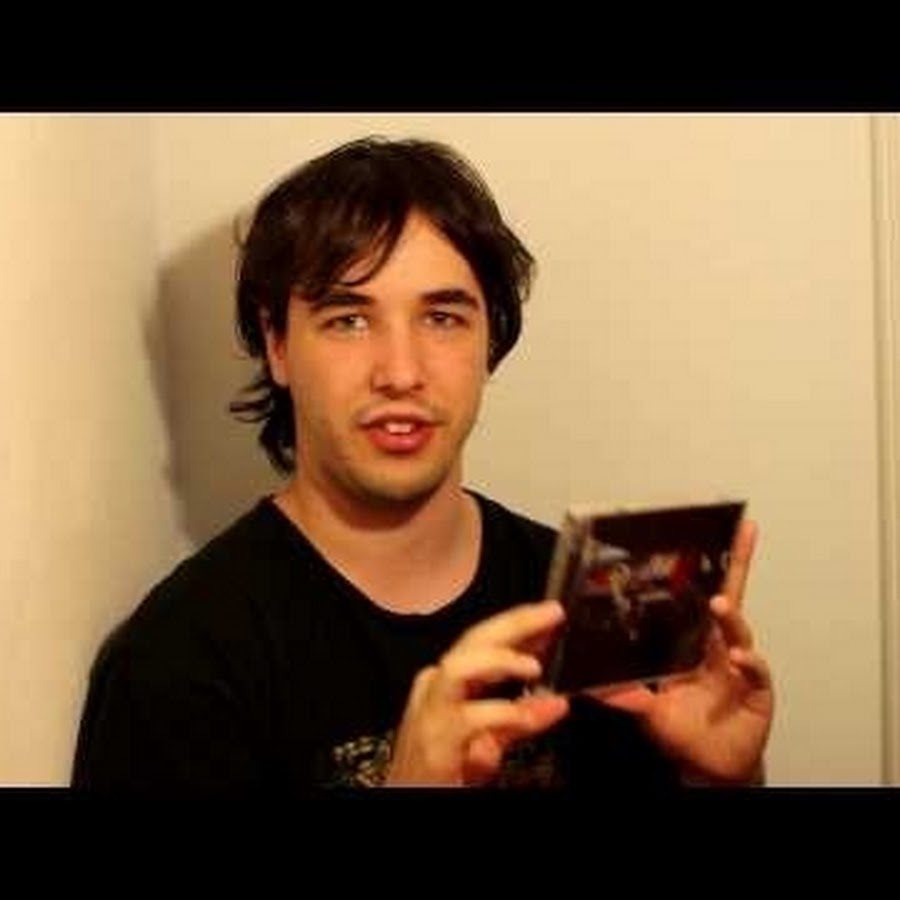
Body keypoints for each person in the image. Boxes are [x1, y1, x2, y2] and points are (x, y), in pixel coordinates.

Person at [71, 136, 774, 790]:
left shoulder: (589, 606)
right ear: (277, 344)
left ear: (488, 341)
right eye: (349, 319)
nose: (401, 372)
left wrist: (719, 779)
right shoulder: (178, 660)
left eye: (442, 317)